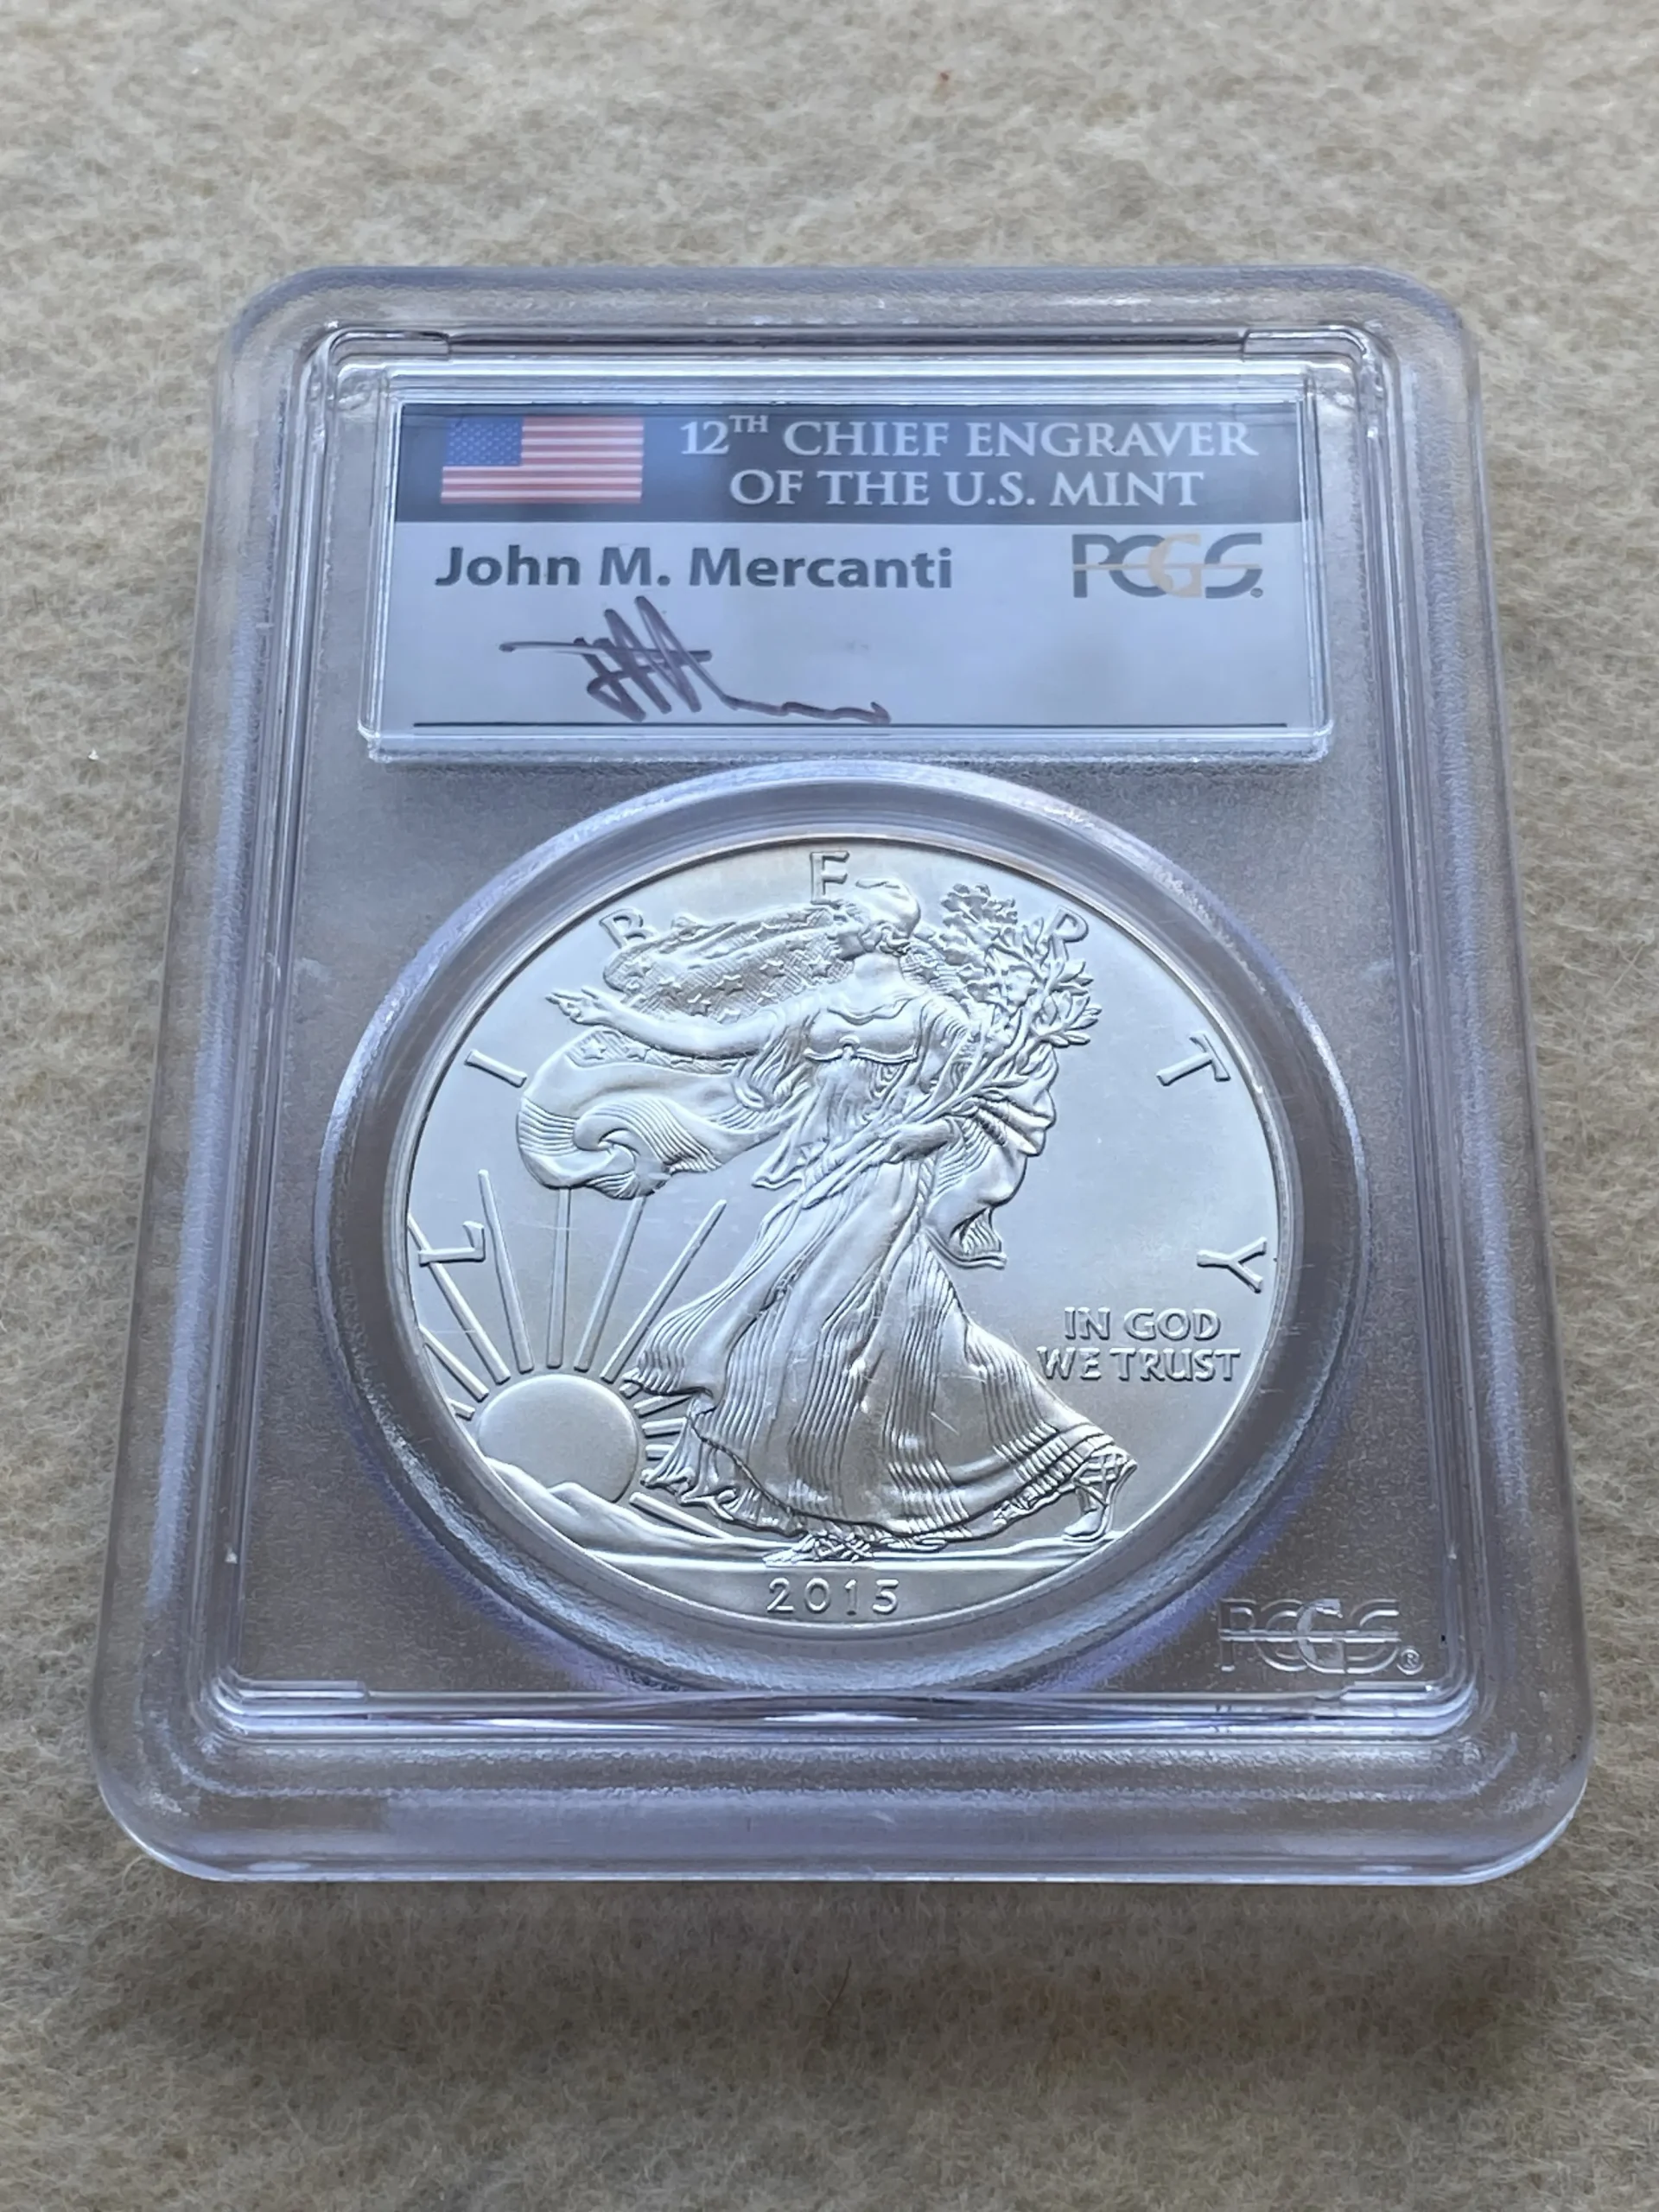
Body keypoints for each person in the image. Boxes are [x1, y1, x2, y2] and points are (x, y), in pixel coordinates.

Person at [521, 878, 1135, 1558]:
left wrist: (922, 1134)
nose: (833, 924)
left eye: (847, 915)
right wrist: (616, 1016)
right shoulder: (818, 1006)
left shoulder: (934, 1016)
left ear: (880, 932)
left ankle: (841, 1521)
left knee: (819, 1336)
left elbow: (986, 1102)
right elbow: (713, 1042)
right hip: (825, 1181)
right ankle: (1079, 1460)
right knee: (917, 1342)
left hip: (886, 1184)